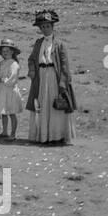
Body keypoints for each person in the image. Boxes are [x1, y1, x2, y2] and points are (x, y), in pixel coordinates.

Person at [27, 9, 77, 144]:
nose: (45, 29)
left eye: (47, 26)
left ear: (52, 26)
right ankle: (43, 135)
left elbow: (65, 66)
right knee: (42, 104)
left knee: (55, 104)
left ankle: (57, 135)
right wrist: (32, 72)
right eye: (42, 27)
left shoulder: (60, 45)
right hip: (41, 77)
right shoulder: (38, 43)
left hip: (55, 77)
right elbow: (31, 59)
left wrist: (63, 82)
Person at [0, 39, 25, 139]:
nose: (5, 53)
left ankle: (13, 133)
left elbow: (12, 79)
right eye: (3, 51)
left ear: (12, 51)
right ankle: (4, 131)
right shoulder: (2, 63)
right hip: (2, 90)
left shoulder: (14, 64)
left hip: (10, 91)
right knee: (3, 112)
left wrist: (2, 79)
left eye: (7, 51)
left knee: (11, 112)